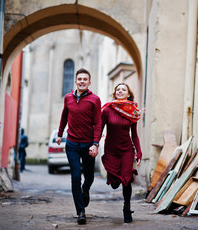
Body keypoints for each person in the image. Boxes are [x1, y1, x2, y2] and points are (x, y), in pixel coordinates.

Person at [56, 68, 101, 225]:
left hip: (88, 144)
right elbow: (64, 116)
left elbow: (98, 123)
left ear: (89, 82)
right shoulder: (68, 98)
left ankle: (86, 189)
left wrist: (95, 143)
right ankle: (80, 211)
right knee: (75, 176)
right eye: (79, 79)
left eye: (85, 79)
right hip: (72, 143)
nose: (82, 81)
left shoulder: (95, 99)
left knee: (89, 176)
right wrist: (60, 134)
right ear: (75, 81)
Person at [100, 83, 142, 223]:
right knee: (114, 183)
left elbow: (134, 135)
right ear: (115, 93)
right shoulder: (107, 110)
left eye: (123, 89)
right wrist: (93, 144)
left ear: (128, 94)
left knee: (126, 179)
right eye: (118, 89)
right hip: (111, 150)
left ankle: (127, 207)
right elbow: (99, 130)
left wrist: (139, 152)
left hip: (127, 150)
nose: (120, 91)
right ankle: (115, 181)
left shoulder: (133, 111)